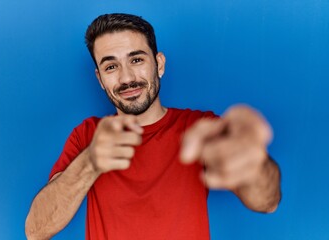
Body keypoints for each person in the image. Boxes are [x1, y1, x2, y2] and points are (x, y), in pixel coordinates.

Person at [25, 13, 281, 240]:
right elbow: (36, 232)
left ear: (159, 64)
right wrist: (90, 162)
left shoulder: (201, 128)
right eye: (111, 66)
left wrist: (256, 163)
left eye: (136, 60)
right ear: (100, 79)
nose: (126, 78)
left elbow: (267, 202)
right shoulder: (86, 135)